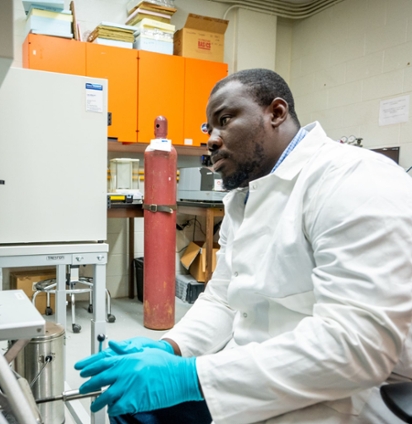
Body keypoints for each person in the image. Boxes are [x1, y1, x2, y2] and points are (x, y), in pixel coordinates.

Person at [74, 68, 412, 423]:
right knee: (132, 407)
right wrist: (169, 348)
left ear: (276, 113)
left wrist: (189, 378)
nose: (212, 139)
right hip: (255, 373)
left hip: (343, 394)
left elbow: (355, 348)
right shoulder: (245, 197)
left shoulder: (354, 179)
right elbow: (223, 299)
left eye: (224, 120)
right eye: (209, 129)